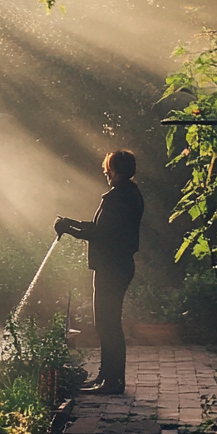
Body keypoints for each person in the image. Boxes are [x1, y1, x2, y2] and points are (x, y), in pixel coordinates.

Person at [54, 150, 144, 395]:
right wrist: (71, 223)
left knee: (108, 324)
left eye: (108, 170)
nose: (106, 174)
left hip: (112, 267)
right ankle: (106, 377)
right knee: (106, 323)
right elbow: (99, 227)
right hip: (115, 266)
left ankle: (112, 381)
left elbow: (101, 234)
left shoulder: (119, 197)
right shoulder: (127, 194)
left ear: (116, 170)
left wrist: (69, 229)